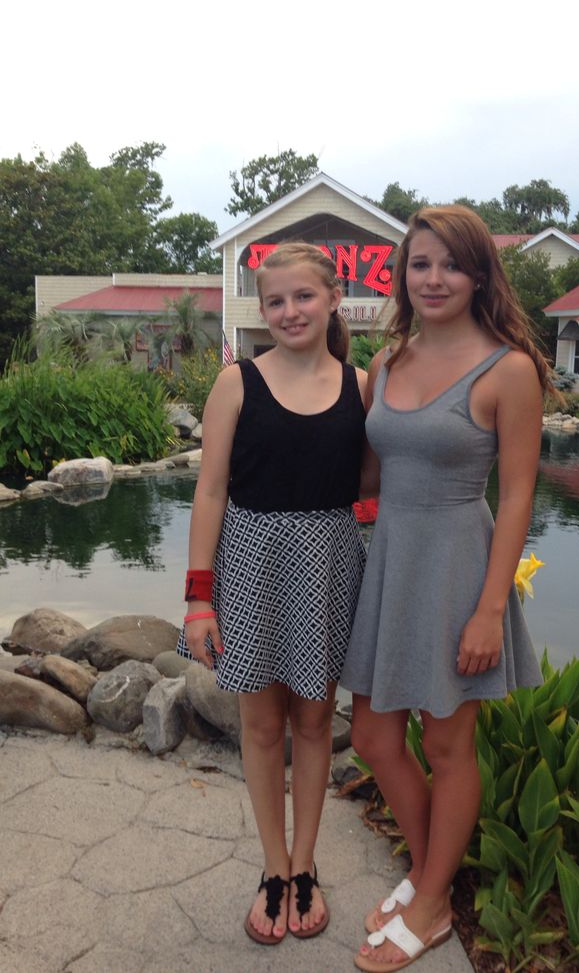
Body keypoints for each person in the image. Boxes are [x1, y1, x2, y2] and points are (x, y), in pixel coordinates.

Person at [340, 205, 553, 972]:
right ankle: (434, 870)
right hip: (392, 560)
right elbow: (369, 475)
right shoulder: (386, 362)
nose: (433, 279)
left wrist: (490, 609)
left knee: (446, 743)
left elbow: (519, 495)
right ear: (402, 274)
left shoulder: (508, 369)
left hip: (460, 565)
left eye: (451, 265)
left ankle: (431, 903)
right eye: (420, 264)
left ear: (480, 275)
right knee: (373, 738)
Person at [177, 243, 367, 946]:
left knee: (314, 725)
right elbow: (210, 491)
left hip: (328, 563)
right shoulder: (237, 383)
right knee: (260, 727)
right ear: (262, 309)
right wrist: (199, 598)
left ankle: (306, 863)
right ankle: (273, 867)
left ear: (334, 297)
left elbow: (376, 480)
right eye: (276, 300)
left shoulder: (361, 384)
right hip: (251, 562)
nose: (290, 311)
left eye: (304, 296)